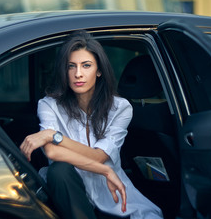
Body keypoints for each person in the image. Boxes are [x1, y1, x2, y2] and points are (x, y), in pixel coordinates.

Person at [20, 30, 163, 219]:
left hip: (114, 198)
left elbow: (99, 156)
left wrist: (54, 136)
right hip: (72, 197)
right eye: (71, 66)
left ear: (99, 70)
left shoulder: (120, 108)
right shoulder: (48, 105)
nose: (78, 74)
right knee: (59, 170)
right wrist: (104, 170)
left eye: (86, 66)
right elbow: (53, 153)